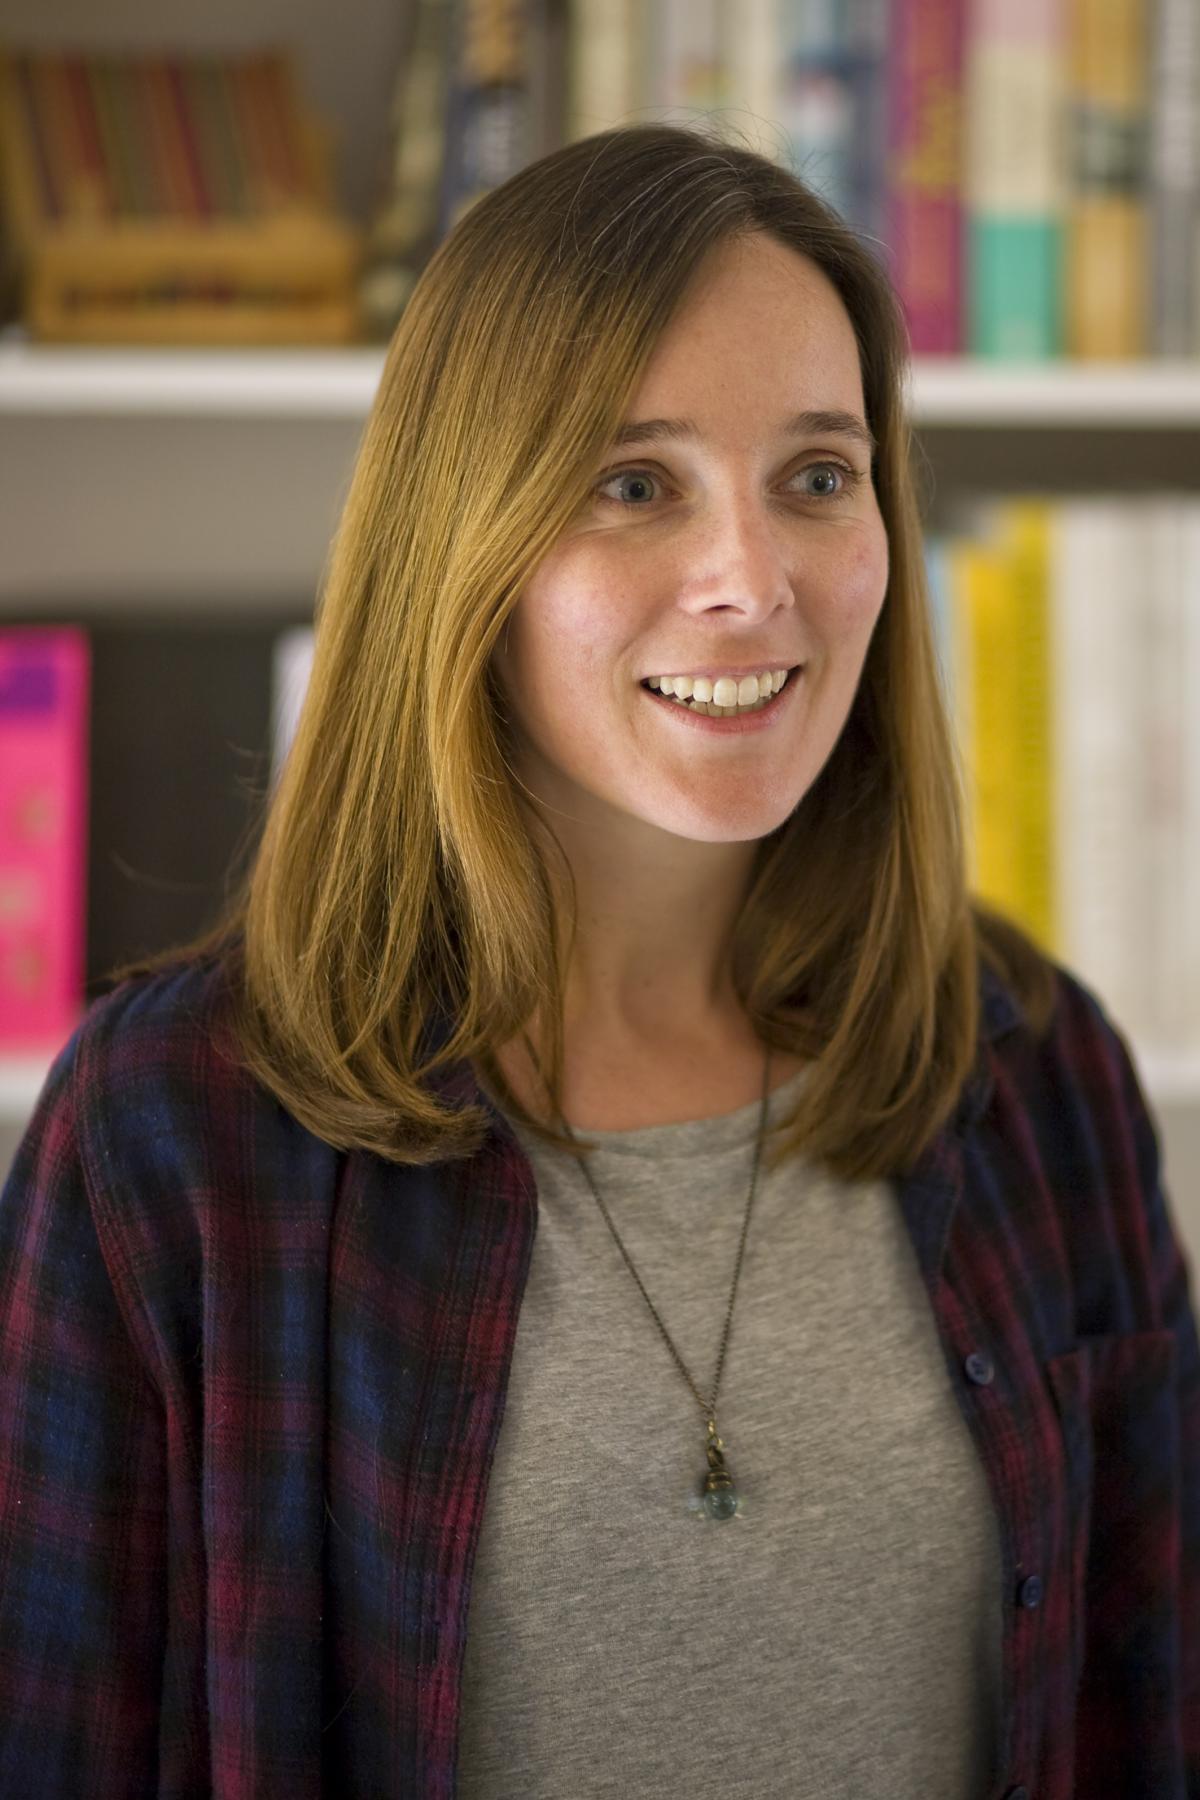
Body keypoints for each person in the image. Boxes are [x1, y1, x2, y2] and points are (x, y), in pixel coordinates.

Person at [0, 120, 1196, 1800]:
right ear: (464, 550)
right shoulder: (167, 1140)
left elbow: (1155, 1718)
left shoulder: (1030, 1066)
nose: (751, 580)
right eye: (634, 485)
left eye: (818, 476)